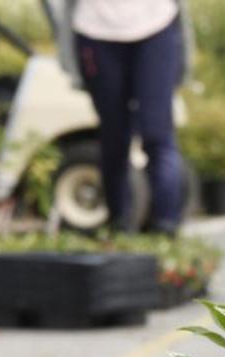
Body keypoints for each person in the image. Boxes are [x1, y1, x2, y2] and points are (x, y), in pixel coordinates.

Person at [52, 0, 193, 233]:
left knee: (157, 134)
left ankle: (166, 225)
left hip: (155, 25)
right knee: (114, 136)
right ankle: (119, 223)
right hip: (95, 30)